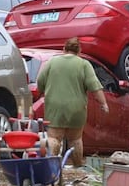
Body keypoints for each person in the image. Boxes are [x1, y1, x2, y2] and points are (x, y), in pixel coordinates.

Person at [37, 37, 108, 167]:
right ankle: (77, 168)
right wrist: (103, 103)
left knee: (54, 138)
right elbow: (94, 85)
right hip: (77, 108)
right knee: (75, 139)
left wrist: (41, 91)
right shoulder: (84, 64)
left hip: (54, 107)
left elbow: (40, 82)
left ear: (64, 49)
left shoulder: (52, 62)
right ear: (79, 51)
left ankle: (52, 168)